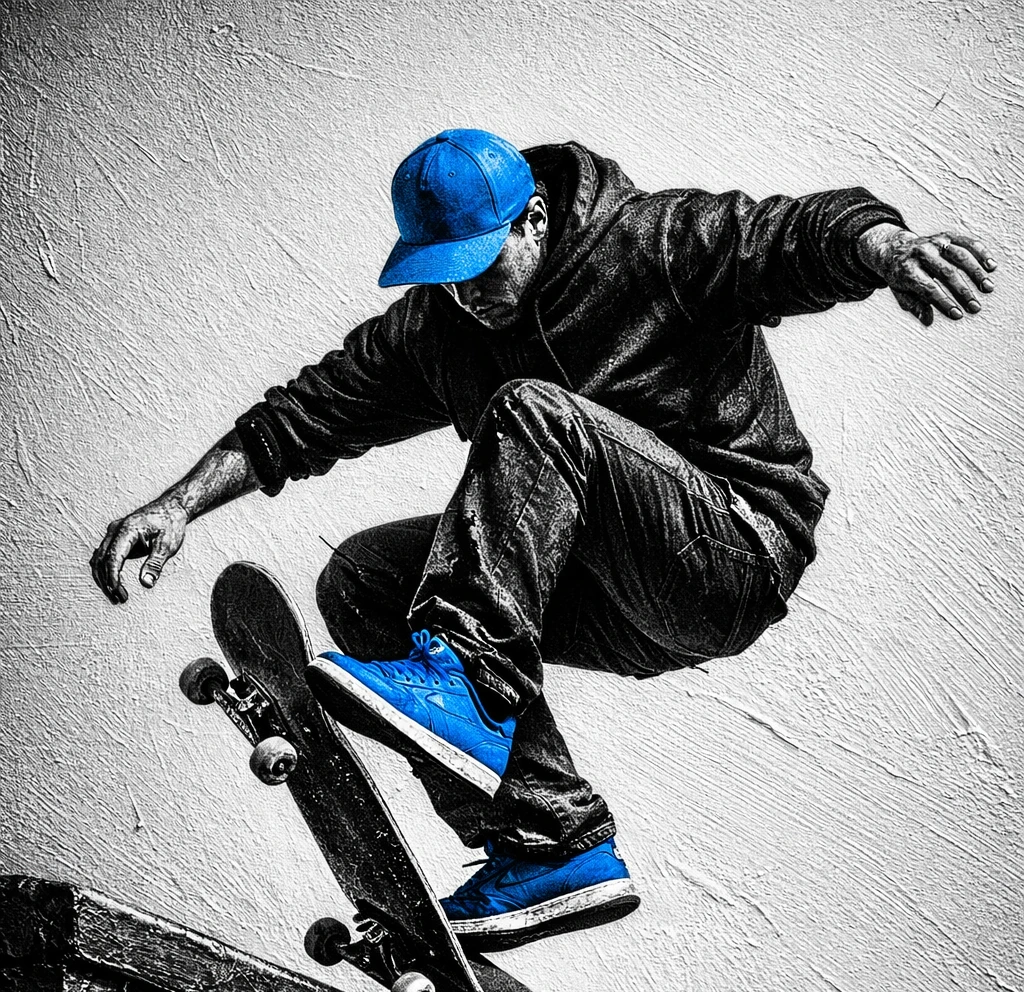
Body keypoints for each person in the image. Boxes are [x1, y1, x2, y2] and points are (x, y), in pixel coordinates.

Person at [91, 129, 996, 946]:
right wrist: (178, 506)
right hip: (612, 603)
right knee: (365, 579)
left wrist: (891, 250)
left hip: (730, 550)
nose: (468, 296)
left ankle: (464, 681)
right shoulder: (436, 326)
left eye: (483, 268)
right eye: (444, 275)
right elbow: (309, 414)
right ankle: (546, 839)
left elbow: (791, 236)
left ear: (535, 218)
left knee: (532, 413)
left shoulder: (653, 243)